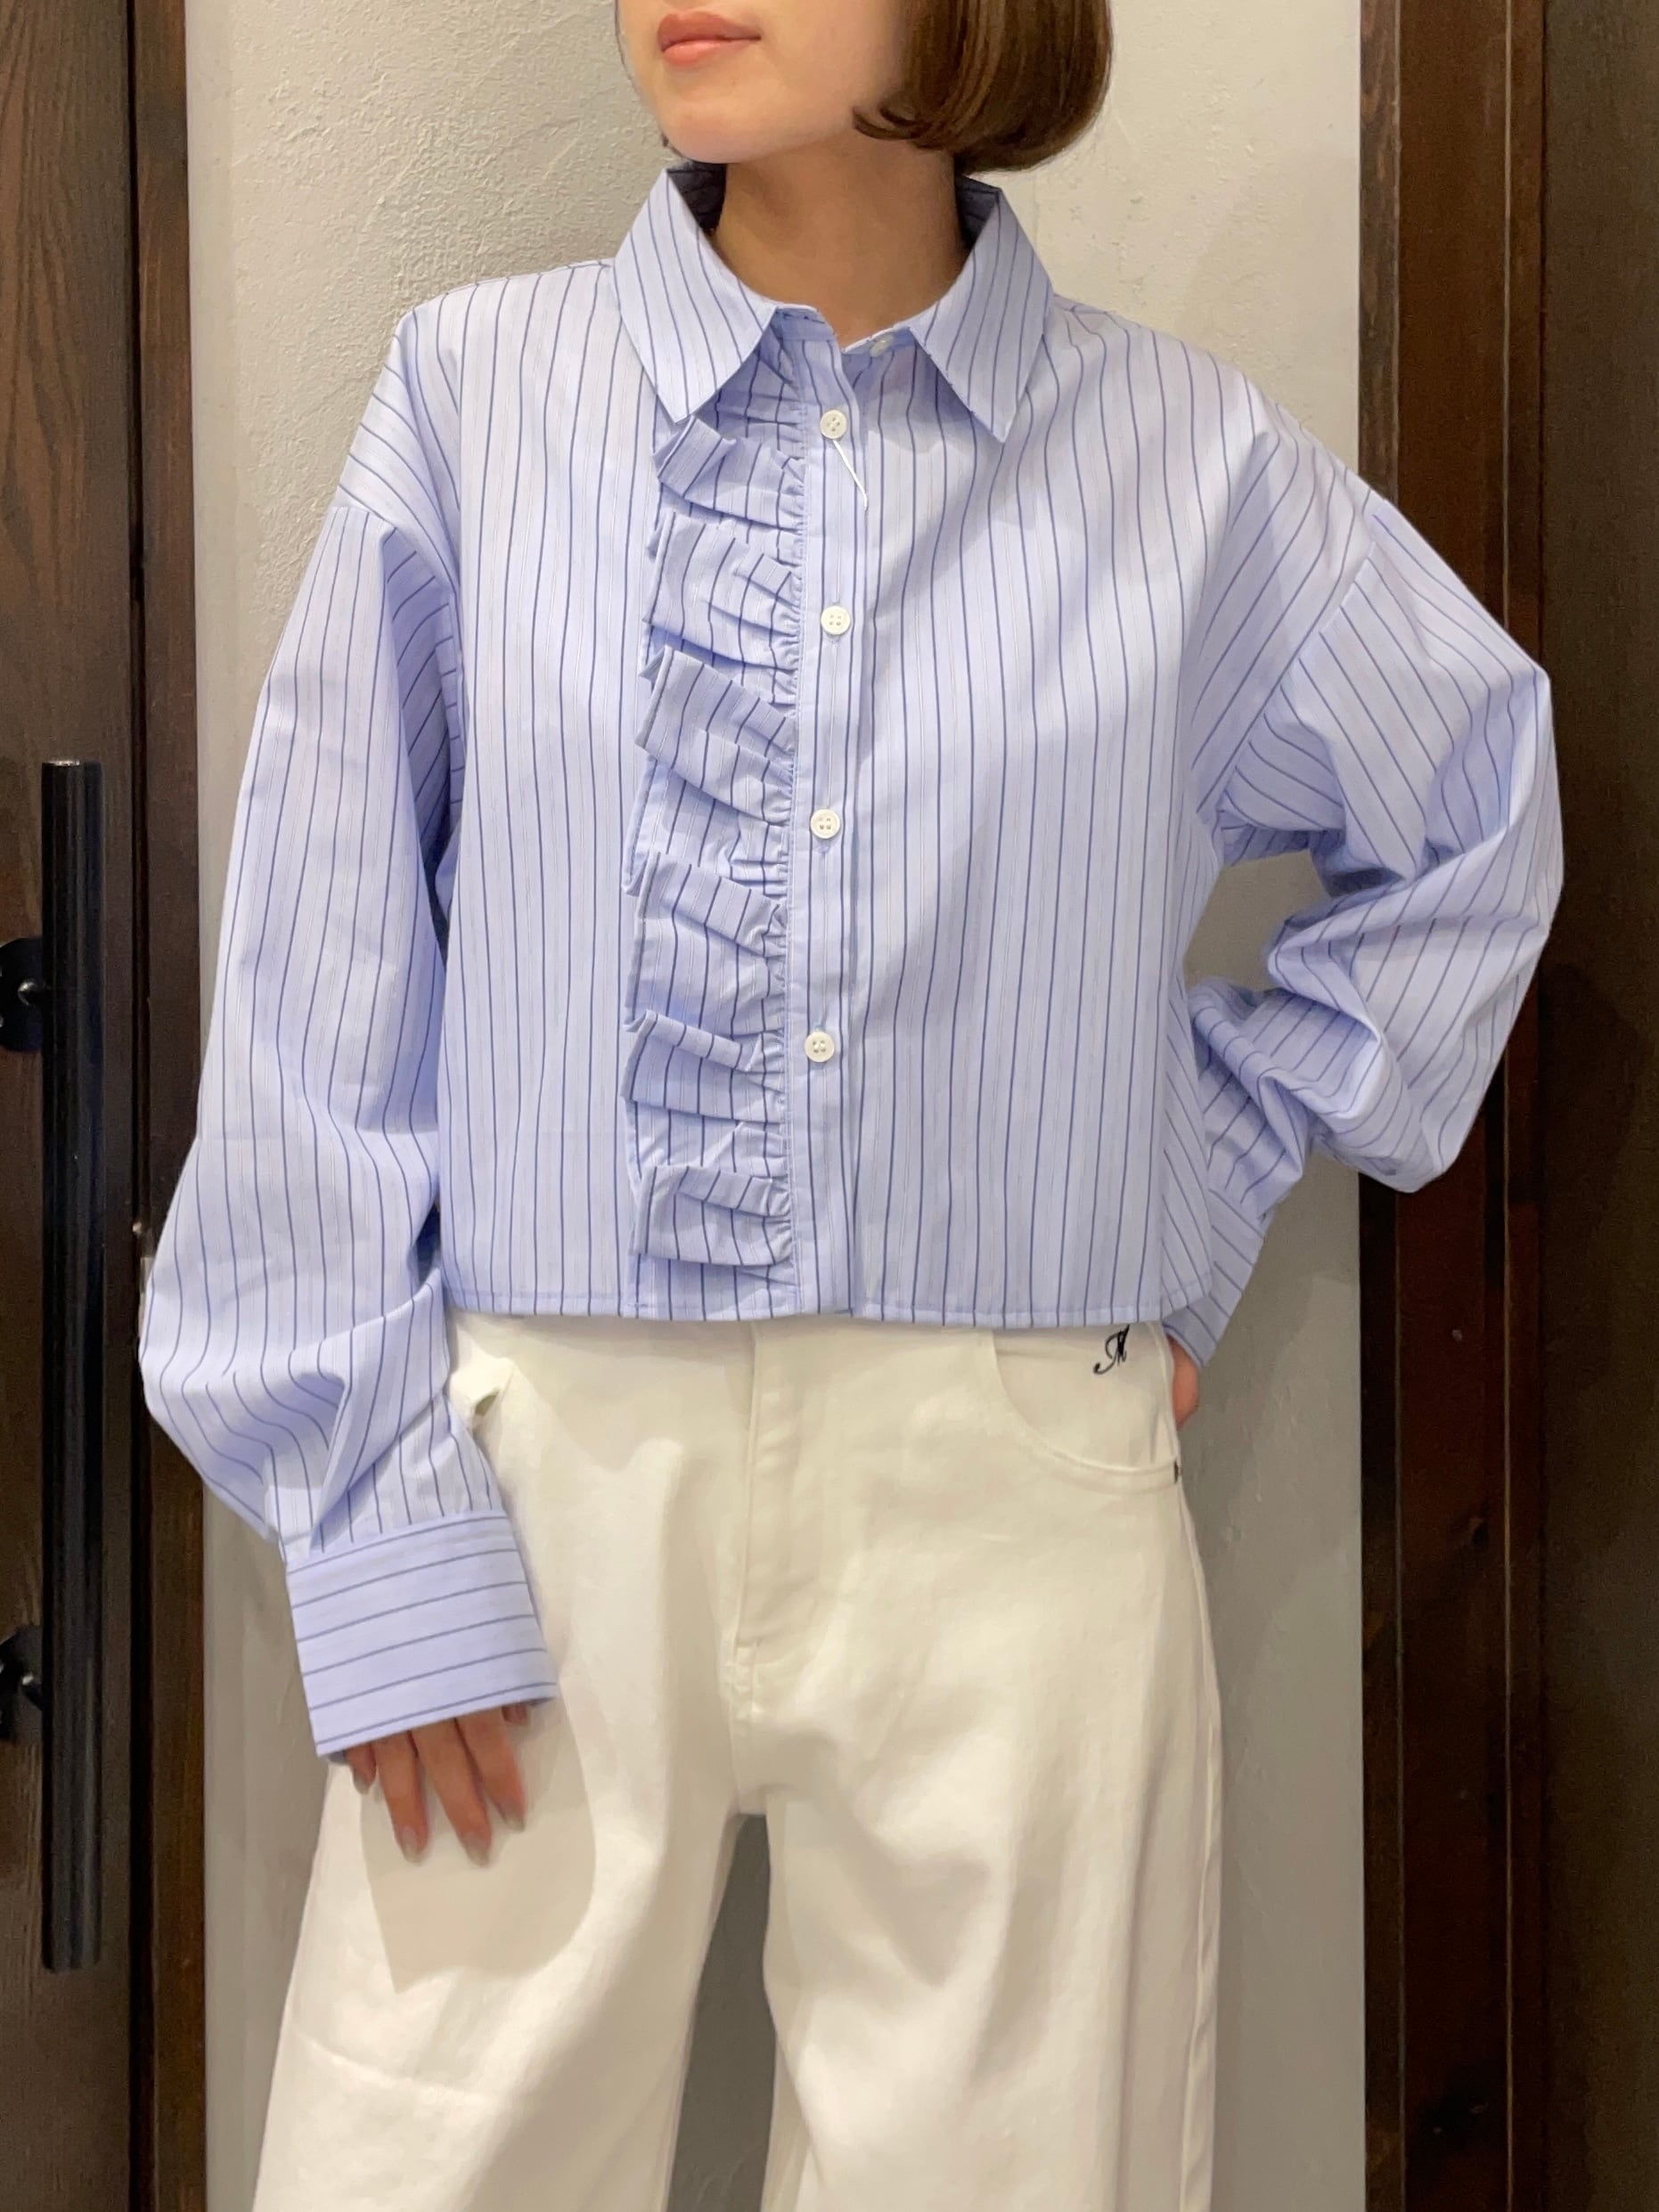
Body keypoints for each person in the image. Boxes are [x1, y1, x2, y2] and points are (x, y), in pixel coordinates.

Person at [137, 1, 1563, 2205]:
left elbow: (1470, 814)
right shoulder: (474, 403)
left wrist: (1184, 1191)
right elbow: (322, 987)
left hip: (1017, 1497)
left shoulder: (1187, 471)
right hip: (539, 1477)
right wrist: (373, 1512)